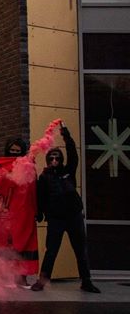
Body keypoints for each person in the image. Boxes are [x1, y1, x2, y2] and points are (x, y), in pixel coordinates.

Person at [31, 123, 100, 293]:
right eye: (52, 158)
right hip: (56, 218)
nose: (54, 161)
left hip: (74, 216)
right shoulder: (44, 177)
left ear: (61, 160)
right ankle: (42, 281)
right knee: (51, 250)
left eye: (57, 158)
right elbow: (40, 197)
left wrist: (65, 133)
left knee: (80, 250)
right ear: (48, 160)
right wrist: (39, 213)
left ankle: (86, 281)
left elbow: (73, 153)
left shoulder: (68, 170)